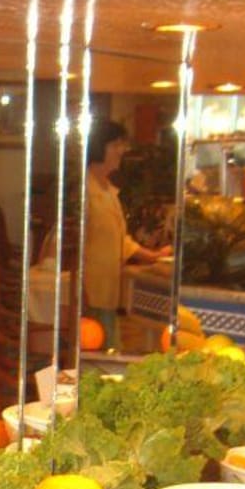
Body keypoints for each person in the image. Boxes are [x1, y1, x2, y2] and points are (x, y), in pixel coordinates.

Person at [83, 120, 170, 350]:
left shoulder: (108, 190)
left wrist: (152, 255)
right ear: (99, 147)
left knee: (109, 345)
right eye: (116, 145)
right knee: (97, 347)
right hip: (89, 292)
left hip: (108, 289)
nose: (122, 151)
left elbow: (119, 239)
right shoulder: (85, 191)